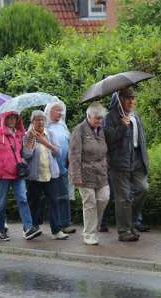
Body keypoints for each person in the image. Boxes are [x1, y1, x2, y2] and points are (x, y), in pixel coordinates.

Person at [0, 112, 41, 241]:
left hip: (17, 174)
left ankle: (28, 228)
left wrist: (31, 139)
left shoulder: (20, 133)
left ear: (17, 119)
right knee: (1, 204)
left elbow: (24, 152)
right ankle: (0, 229)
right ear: (4, 119)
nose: (12, 120)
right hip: (1, 175)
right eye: (9, 118)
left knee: (23, 199)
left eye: (14, 118)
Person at [104, 87, 149, 242]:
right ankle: (124, 231)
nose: (132, 101)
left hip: (137, 158)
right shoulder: (110, 117)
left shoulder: (135, 116)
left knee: (143, 189)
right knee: (123, 198)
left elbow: (141, 139)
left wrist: (144, 160)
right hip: (119, 162)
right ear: (120, 99)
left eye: (133, 98)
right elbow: (108, 140)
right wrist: (122, 126)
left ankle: (131, 222)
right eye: (128, 98)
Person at [23, 110, 68, 240]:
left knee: (54, 202)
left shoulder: (50, 134)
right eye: (37, 119)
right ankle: (32, 228)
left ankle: (56, 230)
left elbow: (57, 152)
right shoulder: (27, 136)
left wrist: (44, 142)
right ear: (32, 122)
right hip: (34, 176)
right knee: (34, 203)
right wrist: (31, 141)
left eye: (42, 119)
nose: (41, 122)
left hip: (51, 174)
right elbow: (27, 155)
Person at [69, 103, 109, 245]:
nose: (99, 121)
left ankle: (94, 227)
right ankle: (89, 234)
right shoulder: (79, 130)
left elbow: (106, 151)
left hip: (101, 173)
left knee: (103, 198)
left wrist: (106, 164)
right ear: (88, 116)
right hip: (84, 174)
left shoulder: (102, 130)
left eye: (101, 118)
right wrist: (75, 176)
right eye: (97, 118)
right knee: (90, 202)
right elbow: (74, 155)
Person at [45, 101, 76, 234]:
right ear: (49, 112)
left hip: (63, 166)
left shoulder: (62, 126)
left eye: (61, 110)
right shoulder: (45, 127)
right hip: (49, 167)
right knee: (52, 196)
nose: (60, 113)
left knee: (63, 194)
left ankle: (65, 223)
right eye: (57, 110)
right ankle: (55, 224)